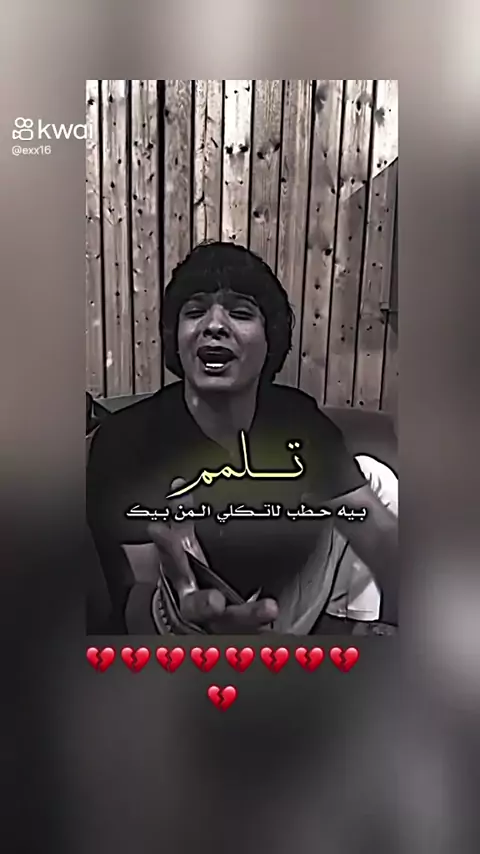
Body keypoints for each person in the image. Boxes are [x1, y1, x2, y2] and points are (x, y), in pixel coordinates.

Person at [86, 242, 398, 634]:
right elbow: (135, 599)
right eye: (195, 312)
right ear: (175, 337)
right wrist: (177, 615)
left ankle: (357, 634)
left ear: (270, 339)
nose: (214, 326)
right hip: (176, 629)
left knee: (374, 477)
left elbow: (377, 529)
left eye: (240, 312)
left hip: (282, 609)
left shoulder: (298, 420)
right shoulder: (125, 440)